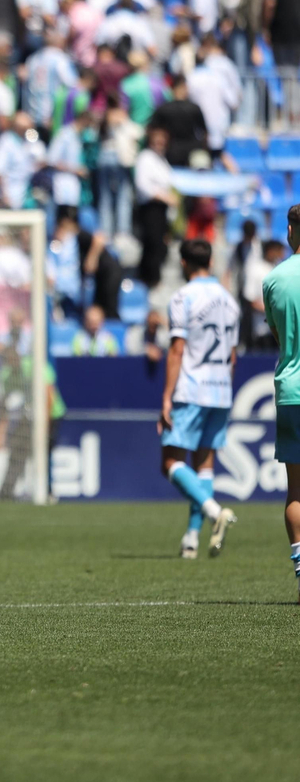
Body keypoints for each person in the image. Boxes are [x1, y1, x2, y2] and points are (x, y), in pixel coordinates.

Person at [158, 239, 239, 561]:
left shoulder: (183, 297)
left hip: (192, 388)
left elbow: (177, 349)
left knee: (170, 462)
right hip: (221, 389)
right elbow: (232, 356)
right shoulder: (229, 301)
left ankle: (214, 511)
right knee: (203, 464)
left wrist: (166, 397)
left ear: (183, 263)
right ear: (211, 260)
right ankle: (191, 538)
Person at [265, 204, 300, 602]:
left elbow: (278, 335)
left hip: (291, 390)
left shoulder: (274, 280)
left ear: (291, 230)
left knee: (296, 489)